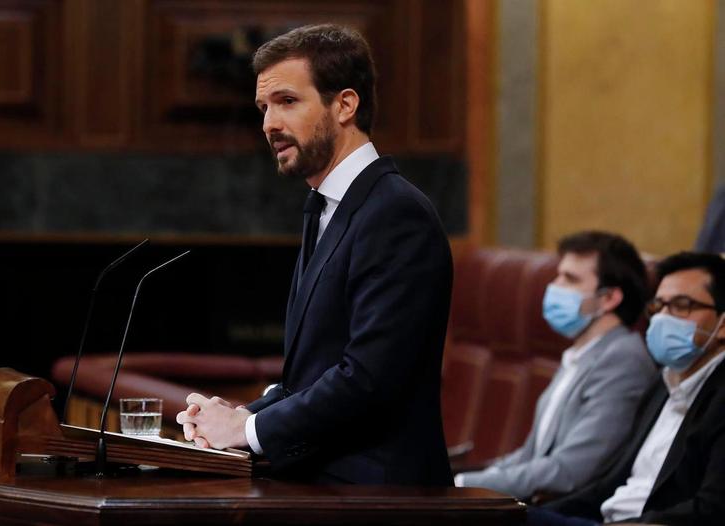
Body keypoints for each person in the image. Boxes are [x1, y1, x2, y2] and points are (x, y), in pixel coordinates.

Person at [176, 24, 453, 485]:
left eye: (287, 101)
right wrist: (238, 415)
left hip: (380, 498)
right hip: (326, 482)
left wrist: (247, 429)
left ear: (345, 104)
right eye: (264, 108)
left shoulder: (396, 214)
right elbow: (311, 375)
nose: (268, 124)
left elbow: (369, 380)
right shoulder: (323, 206)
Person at [456, 231, 657, 499]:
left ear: (609, 298)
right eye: (558, 275)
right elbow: (531, 455)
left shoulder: (622, 361)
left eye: (570, 279)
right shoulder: (581, 352)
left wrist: (462, 484)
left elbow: (570, 471)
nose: (555, 286)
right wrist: (462, 479)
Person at [530, 252, 725, 525]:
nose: (663, 318)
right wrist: (531, 512)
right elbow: (611, 484)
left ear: (722, 324)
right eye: (659, 306)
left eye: (682, 305)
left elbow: (712, 510)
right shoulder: (663, 383)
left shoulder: (719, 398)